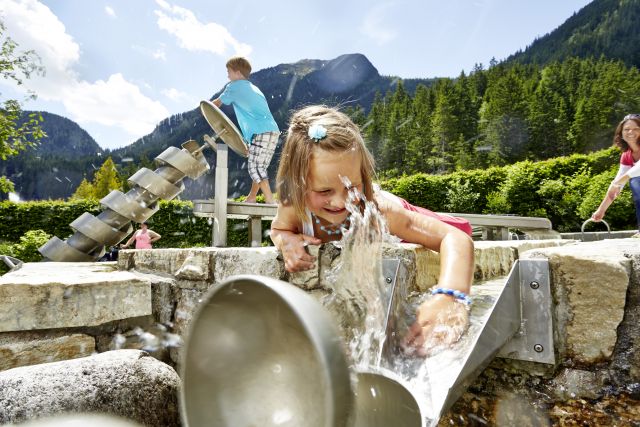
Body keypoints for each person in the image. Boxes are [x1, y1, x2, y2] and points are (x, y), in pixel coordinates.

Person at [270, 105, 475, 356]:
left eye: (351, 186)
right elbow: (278, 229)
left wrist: (450, 297)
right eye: (324, 191)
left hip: (398, 209)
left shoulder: (378, 212)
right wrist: (286, 240)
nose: (340, 202)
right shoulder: (292, 206)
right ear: (297, 184)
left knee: (455, 225)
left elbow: (455, 238)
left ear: (363, 178)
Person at [213, 56, 280, 204]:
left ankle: (270, 201)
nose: (227, 75)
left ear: (237, 73)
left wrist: (203, 108)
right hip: (272, 131)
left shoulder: (234, 86)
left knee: (254, 167)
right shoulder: (254, 88)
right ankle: (252, 197)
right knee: (260, 166)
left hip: (260, 132)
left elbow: (215, 105)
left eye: (229, 71)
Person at [592, 113, 640, 232]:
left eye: (636, 129)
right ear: (621, 133)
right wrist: (601, 210)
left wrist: (619, 181)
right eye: (627, 129)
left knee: (635, 180)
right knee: (635, 182)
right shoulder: (626, 156)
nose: (631, 132)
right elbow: (617, 184)